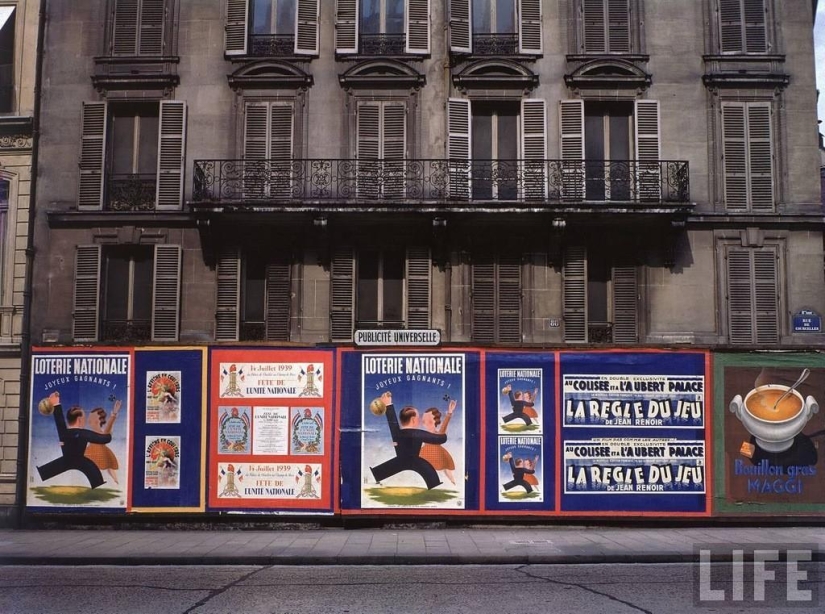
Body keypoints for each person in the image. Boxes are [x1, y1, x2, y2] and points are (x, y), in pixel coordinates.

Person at [36, 391, 115, 489]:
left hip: (68, 462)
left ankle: (42, 473)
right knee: (94, 474)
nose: (85, 421)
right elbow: (105, 439)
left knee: (45, 472)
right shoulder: (83, 434)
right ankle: (97, 483)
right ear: (79, 419)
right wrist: (111, 427)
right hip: (81, 463)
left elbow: (59, 420)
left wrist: (56, 403)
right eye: (84, 418)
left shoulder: (64, 433)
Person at [370, 391, 446, 490]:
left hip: (401, 462)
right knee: (431, 475)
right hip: (415, 462)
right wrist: (443, 431)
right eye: (418, 418)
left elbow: (392, 422)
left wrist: (388, 404)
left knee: (379, 472)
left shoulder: (397, 433)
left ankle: (375, 475)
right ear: (413, 420)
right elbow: (440, 439)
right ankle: (434, 484)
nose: (419, 421)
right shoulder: (417, 433)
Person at [419, 399, 457, 485]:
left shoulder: (438, 434)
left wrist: (450, 412)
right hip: (425, 454)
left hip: (438, 454)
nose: (426, 424)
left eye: (429, 421)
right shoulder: (423, 434)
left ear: (436, 421)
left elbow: (443, 427)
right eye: (424, 421)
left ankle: (453, 483)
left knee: (447, 471)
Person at [84, 399, 122, 484]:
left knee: (109, 467)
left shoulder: (103, 432)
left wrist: (114, 414)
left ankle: (116, 481)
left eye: (92, 419)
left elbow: (109, 427)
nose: (89, 421)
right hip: (91, 451)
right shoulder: (90, 432)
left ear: (100, 420)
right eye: (89, 419)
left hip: (101, 452)